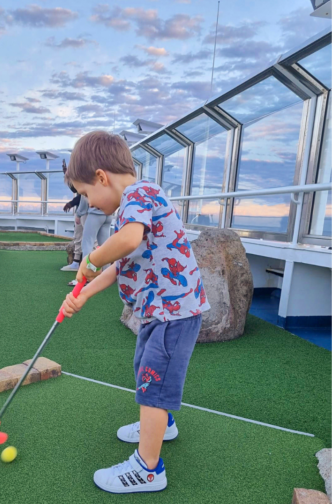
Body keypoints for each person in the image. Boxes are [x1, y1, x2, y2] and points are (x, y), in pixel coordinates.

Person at [60, 131, 210, 494]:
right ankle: (163, 424)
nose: (89, 202)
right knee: (147, 371)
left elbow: (123, 244)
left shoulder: (138, 195)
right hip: (160, 312)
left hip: (174, 313)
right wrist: (83, 294)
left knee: (154, 385)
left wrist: (91, 257)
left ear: (101, 177)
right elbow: (120, 265)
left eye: (85, 194)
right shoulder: (136, 205)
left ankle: (148, 469)